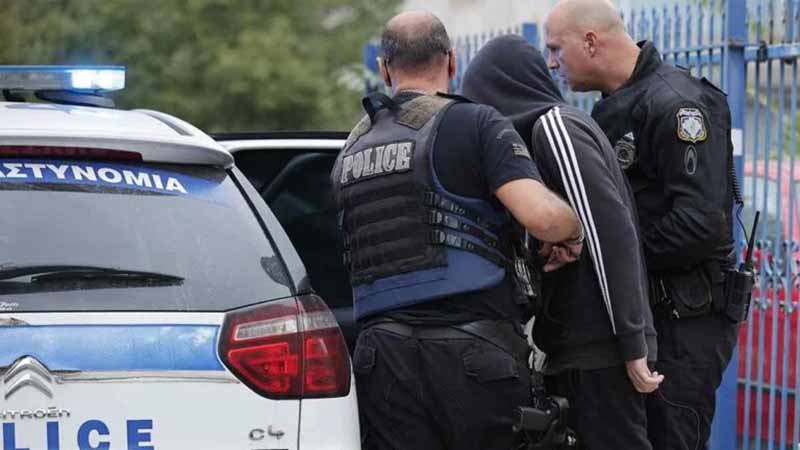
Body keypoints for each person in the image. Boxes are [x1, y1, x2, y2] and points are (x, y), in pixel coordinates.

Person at [331, 11, 585, 450]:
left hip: (381, 358)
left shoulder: (350, 150)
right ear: (452, 60)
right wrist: (573, 230)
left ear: (384, 69)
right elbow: (543, 218)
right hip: (473, 356)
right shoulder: (475, 123)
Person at [544, 1, 740, 448]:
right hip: (643, 317)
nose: (552, 63)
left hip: (682, 320)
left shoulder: (676, 103)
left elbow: (700, 224)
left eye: (556, 48)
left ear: (590, 42)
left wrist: (607, 252)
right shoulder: (613, 108)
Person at [462, 34, 661, 450]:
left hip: (602, 349)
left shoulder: (554, 128)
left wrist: (632, 343)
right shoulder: (543, 135)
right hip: (581, 349)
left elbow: (611, 234)